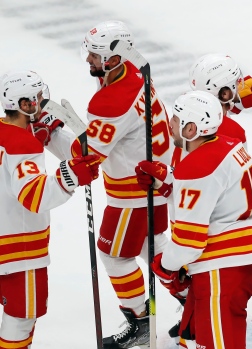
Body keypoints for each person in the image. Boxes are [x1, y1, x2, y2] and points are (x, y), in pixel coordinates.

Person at [135, 90, 252, 349]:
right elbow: (226, 197)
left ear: (191, 129)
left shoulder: (197, 166)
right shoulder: (230, 146)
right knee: (196, 337)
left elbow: (189, 243)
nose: (170, 123)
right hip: (237, 263)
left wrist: (166, 264)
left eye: (177, 120)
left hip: (221, 268)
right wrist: (167, 180)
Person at [40, 20, 173, 348]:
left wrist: (53, 134)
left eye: (96, 56)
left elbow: (87, 156)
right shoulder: (135, 69)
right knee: (152, 248)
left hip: (133, 192)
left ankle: (141, 322)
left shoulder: (112, 101)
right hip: (155, 178)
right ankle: (195, 301)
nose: (89, 61)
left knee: (114, 255)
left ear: (115, 57)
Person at [0, 70, 100, 348]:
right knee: (21, 319)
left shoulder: (7, 133)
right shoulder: (23, 145)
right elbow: (33, 195)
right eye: (38, 98)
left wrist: (55, 136)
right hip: (18, 251)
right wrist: (69, 176)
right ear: (24, 104)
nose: (43, 102)